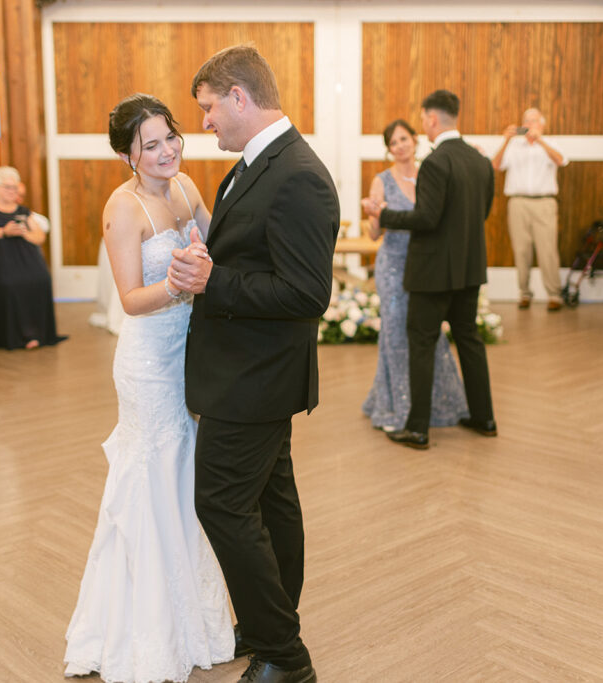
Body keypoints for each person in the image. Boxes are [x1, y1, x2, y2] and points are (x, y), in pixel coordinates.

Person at [168, 45, 339, 683]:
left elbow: (306, 295)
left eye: (209, 107)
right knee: (272, 501)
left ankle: (285, 656)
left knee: (220, 504)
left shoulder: (297, 174)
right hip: (248, 371)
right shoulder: (253, 165)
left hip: (254, 377)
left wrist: (213, 281)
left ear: (239, 97)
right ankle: (272, 623)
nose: (205, 121)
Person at [63, 94, 233, 683]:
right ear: (126, 156)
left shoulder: (185, 187)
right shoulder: (122, 208)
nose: (166, 152)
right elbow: (132, 299)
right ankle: (144, 630)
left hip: (189, 356)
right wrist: (180, 284)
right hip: (147, 365)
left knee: (184, 480)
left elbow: (220, 244)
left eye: (171, 137)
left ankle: (194, 621)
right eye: (150, 145)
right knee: (150, 479)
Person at [361, 88, 497, 450]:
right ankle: (484, 418)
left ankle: (418, 429)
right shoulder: (481, 161)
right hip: (469, 269)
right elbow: (482, 213)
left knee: (420, 343)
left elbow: (426, 218)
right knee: (469, 340)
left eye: (422, 119)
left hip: (433, 273)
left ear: (432, 119)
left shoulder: (436, 162)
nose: (423, 124)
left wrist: (382, 214)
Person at [360, 118, 469, 432]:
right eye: (393, 143)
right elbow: (374, 234)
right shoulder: (381, 180)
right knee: (395, 334)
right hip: (393, 267)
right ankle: (398, 406)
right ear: (389, 149)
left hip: (426, 266)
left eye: (403, 139)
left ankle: (435, 404)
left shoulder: (429, 174)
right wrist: (373, 215)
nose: (399, 146)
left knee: (429, 334)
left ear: (415, 140)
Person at [0, 166, 63, 349]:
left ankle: (35, 333)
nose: (12, 191)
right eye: (8, 187)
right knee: (10, 283)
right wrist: (4, 232)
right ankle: (12, 335)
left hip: (26, 258)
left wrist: (24, 233)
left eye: (15, 187)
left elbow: (39, 237)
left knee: (42, 279)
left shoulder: (23, 211)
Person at [492, 107, 568, 310]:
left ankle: (554, 294)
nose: (529, 124)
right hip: (518, 202)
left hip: (544, 202)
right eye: (526, 121)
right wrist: (506, 140)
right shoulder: (514, 146)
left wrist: (540, 141)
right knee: (521, 249)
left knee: (547, 250)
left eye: (533, 120)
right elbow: (496, 165)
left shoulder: (550, 143)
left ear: (541, 125)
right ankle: (524, 292)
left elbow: (561, 160)